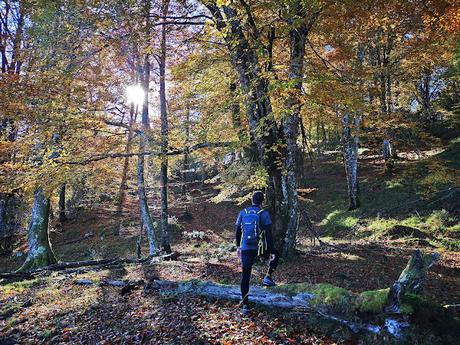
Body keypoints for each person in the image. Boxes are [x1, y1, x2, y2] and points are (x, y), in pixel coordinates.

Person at [235, 191, 279, 315]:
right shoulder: (264, 213)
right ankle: (268, 277)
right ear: (262, 201)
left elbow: (238, 230)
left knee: (245, 276)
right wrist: (271, 251)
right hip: (260, 248)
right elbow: (269, 234)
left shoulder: (243, 212)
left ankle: (245, 305)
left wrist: (238, 247)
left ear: (251, 200)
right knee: (277, 254)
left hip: (246, 248)